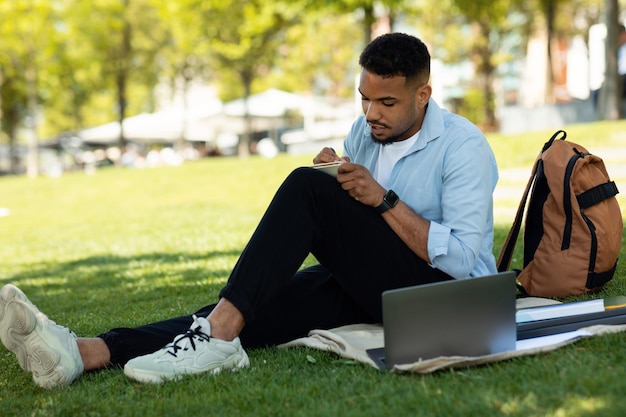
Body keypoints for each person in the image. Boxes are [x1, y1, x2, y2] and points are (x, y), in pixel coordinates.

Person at [0, 32, 498, 389]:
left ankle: (215, 336)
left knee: (305, 189)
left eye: (387, 102)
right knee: (246, 305)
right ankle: (85, 352)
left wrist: (382, 199)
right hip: (378, 286)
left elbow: (458, 262)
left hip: (449, 306)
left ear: (423, 94)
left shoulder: (463, 148)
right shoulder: (364, 132)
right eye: (365, 99)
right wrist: (341, 177)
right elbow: (361, 225)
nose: (371, 114)